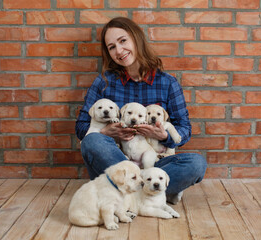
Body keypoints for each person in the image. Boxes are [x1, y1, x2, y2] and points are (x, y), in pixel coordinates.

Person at [75, 17, 207, 204]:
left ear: (136, 39)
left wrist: (163, 136)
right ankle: (149, 194)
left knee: (196, 164)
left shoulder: (167, 83)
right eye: (111, 47)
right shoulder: (104, 82)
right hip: (119, 160)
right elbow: (81, 127)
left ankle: (126, 193)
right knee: (92, 141)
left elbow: (184, 129)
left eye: (123, 41)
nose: (119, 51)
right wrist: (105, 132)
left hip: (153, 161)